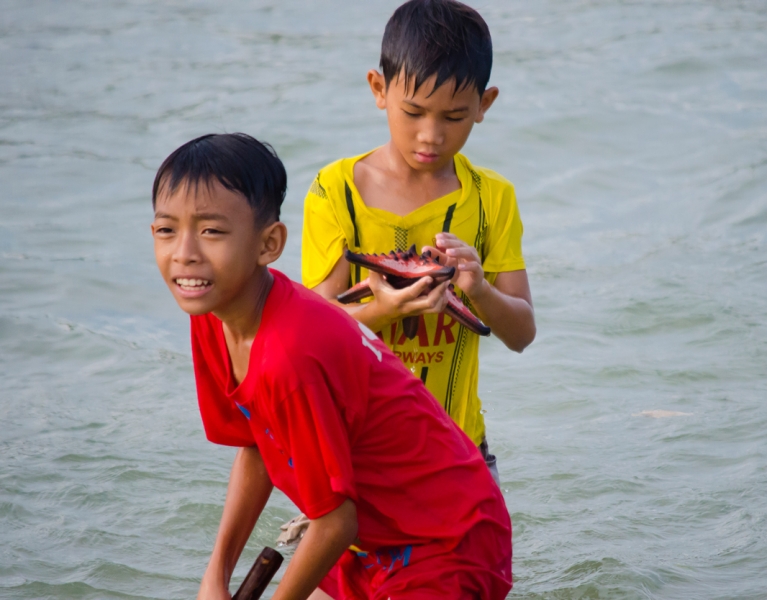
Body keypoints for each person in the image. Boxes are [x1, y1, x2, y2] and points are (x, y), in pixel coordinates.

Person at [150, 133, 512, 600]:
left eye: (212, 231)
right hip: (370, 539)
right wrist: (215, 574)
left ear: (269, 244)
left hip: (449, 539)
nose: (185, 253)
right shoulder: (214, 315)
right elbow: (257, 446)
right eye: (166, 230)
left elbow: (336, 520)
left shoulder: (287, 352)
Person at [302, 0, 536, 484]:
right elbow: (313, 330)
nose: (430, 135)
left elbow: (522, 334)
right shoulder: (335, 191)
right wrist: (386, 310)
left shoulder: (493, 199)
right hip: (356, 454)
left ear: (483, 105)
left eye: (454, 117)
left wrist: (478, 290)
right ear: (379, 90)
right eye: (413, 112)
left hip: (460, 451)